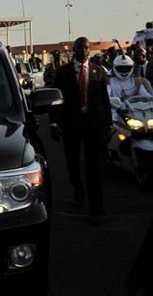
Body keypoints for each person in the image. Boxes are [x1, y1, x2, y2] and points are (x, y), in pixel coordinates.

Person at [50, 36, 112, 217]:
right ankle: (79, 193)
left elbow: (104, 101)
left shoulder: (98, 71)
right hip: (71, 125)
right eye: (79, 48)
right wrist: (54, 122)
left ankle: (96, 204)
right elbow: (55, 100)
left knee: (94, 166)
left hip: (93, 125)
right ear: (73, 50)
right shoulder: (63, 72)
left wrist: (108, 125)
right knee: (73, 162)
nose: (83, 51)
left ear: (89, 50)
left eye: (86, 48)